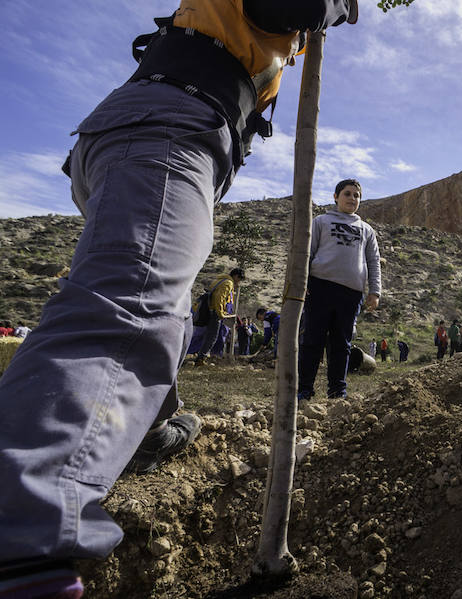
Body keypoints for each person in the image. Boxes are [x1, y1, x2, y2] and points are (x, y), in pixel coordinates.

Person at [0, 3, 358, 596]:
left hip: (144, 137)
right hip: (168, 132)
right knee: (131, 311)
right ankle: (21, 530)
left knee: (160, 295)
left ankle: (147, 429)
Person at [297, 178, 380, 400]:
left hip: (351, 294)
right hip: (319, 287)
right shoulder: (321, 221)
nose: (352, 198)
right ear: (336, 197)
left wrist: (374, 291)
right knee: (312, 340)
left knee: (341, 344)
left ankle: (337, 391)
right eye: (347, 194)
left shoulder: (366, 230)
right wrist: (301, 282)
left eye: (357, 195)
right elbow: (307, 252)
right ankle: (304, 389)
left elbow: (373, 261)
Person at [194, 268, 244, 365]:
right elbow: (219, 298)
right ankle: (201, 359)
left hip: (210, 310)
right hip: (215, 313)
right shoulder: (228, 283)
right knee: (212, 337)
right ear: (236, 276)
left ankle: (201, 356)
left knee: (208, 335)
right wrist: (221, 313)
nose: (239, 281)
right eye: (239, 279)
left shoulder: (220, 279)